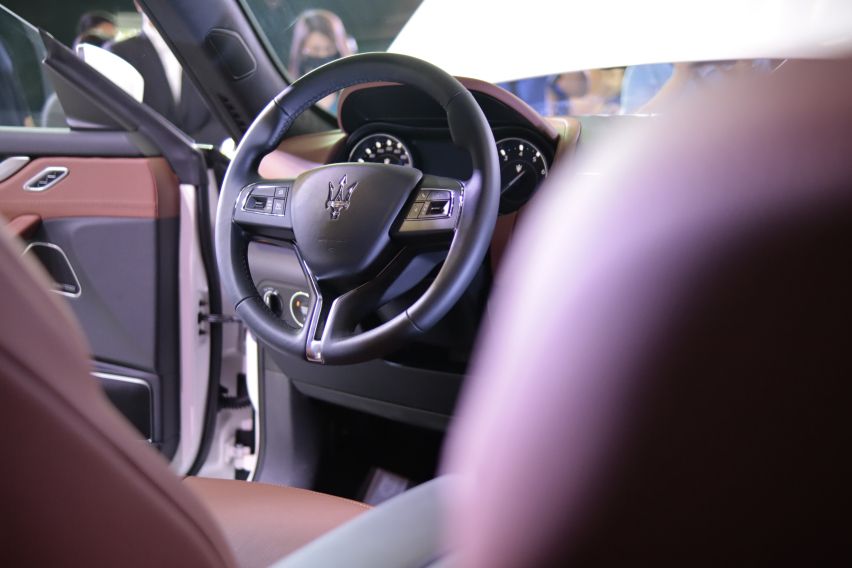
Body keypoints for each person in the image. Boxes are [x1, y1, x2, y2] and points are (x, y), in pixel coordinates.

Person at [107, 6, 227, 144]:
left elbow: (224, 114)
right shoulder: (118, 53)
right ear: (138, 4)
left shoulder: (208, 52)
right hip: (146, 152)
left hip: (204, 153)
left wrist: (191, 148)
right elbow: (119, 117)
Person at [287, 9, 353, 111]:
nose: (323, 55)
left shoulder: (352, 93)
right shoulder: (288, 95)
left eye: (329, 49)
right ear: (301, 50)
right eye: (315, 49)